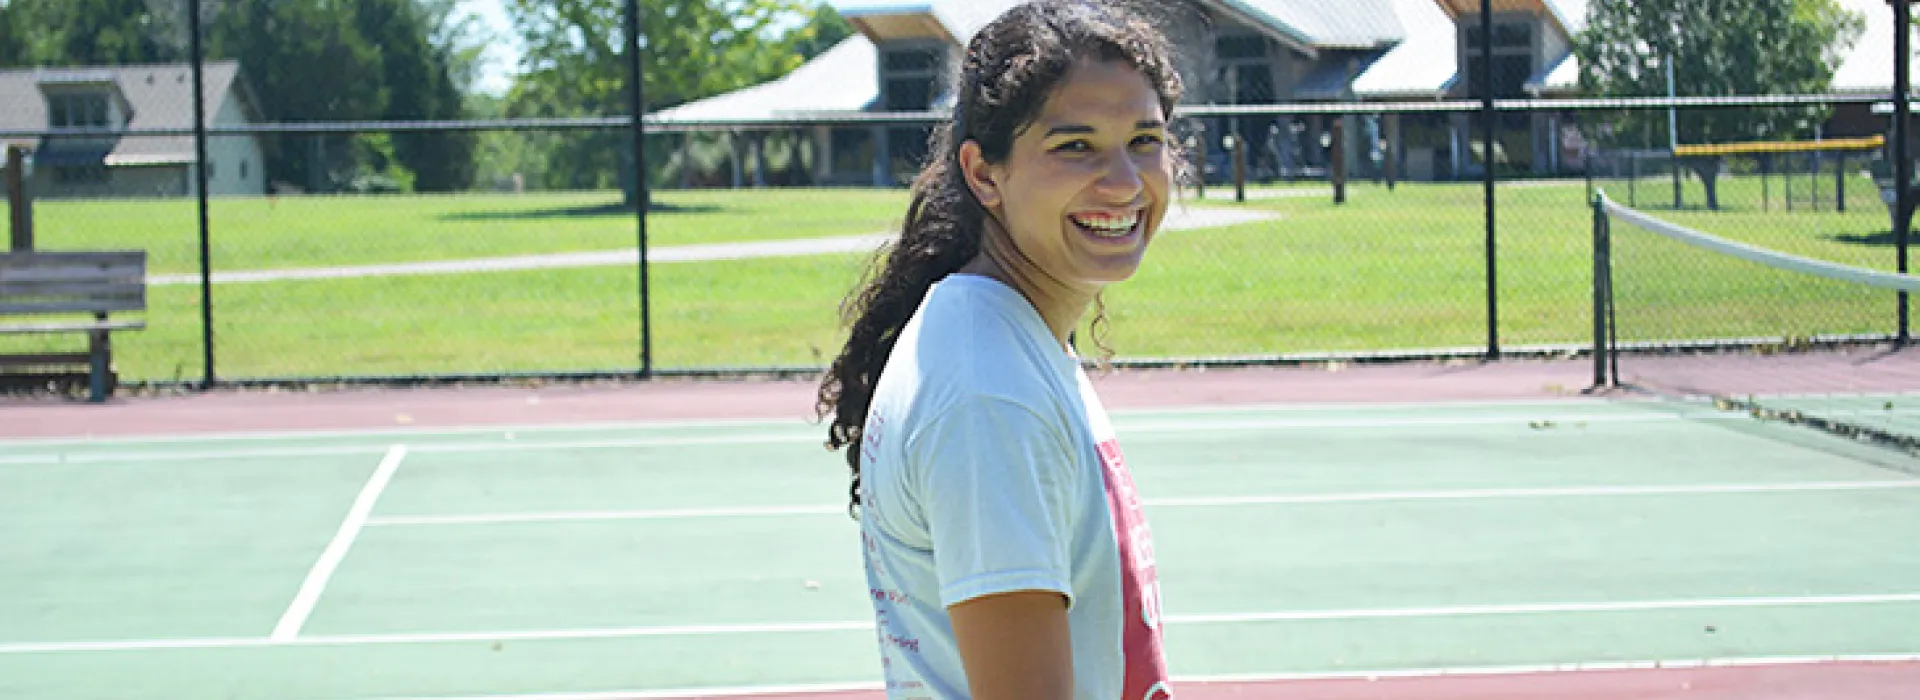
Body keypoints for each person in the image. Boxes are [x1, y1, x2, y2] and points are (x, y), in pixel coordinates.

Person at [814, 2, 1184, 698]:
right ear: (985, 174)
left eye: (1144, 140)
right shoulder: (990, 390)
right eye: (1075, 146)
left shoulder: (1008, 337)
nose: (1126, 182)